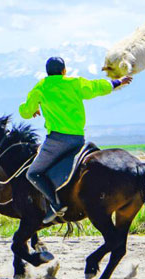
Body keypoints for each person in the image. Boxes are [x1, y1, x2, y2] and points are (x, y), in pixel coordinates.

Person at [20, 56, 133, 224]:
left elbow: (25, 112)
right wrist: (117, 82)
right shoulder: (74, 82)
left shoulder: (41, 88)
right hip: (79, 140)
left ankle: (55, 204)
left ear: (47, 72)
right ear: (64, 71)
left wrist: (34, 108)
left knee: (33, 173)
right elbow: (96, 87)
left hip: (56, 142)